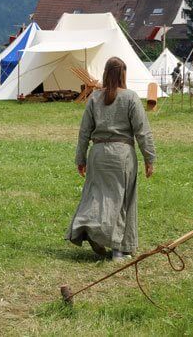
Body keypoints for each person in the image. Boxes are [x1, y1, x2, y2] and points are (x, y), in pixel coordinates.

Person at [66, 57, 156, 262]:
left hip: (97, 154)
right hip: (121, 155)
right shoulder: (131, 98)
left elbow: (84, 132)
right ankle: (119, 250)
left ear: (106, 73)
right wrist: (150, 159)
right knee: (121, 201)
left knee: (95, 197)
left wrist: (80, 158)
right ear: (124, 74)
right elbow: (143, 132)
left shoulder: (94, 98)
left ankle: (91, 230)